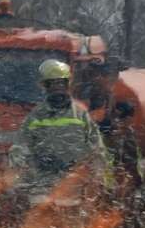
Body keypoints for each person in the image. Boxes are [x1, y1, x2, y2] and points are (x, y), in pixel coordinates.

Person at [6, 60, 108, 217]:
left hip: (74, 183)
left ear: (68, 85)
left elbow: (97, 148)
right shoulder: (35, 117)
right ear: (45, 87)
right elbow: (20, 147)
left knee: (73, 227)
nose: (57, 89)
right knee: (40, 224)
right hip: (41, 182)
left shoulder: (80, 115)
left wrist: (98, 178)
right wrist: (16, 177)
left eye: (61, 84)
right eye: (52, 84)